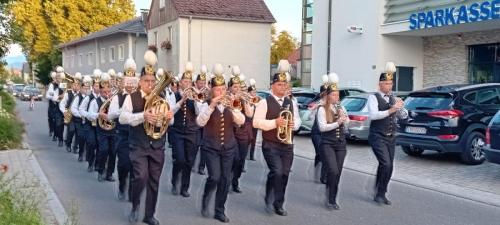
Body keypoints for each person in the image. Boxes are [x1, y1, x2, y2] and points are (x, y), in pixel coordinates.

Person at [119, 50, 173, 225]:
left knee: (154, 181)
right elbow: (122, 118)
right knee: (140, 177)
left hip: (157, 145)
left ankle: (149, 215)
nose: (150, 84)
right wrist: (143, 116)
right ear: (140, 82)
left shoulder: (162, 97)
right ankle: (135, 206)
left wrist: (167, 118)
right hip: (139, 145)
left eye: (152, 81)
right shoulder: (131, 97)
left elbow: (168, 123)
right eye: (147, 81)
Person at [197, 63, 245, 223]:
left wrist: (233, 108)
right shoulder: (206, 105)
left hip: (229, 147)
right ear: (212, 91)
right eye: (218, 90)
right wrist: (211, 105)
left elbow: (241, 121)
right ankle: (206, 196)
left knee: (225, 178)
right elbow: (200, 122)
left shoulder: (232, 104)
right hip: (211, 147)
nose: (221, 92)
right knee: (215, 177)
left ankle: (219, 210)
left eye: (223, 89)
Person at [253, 60, 301, 216]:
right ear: (272, 86)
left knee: (285, 174)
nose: (283, 87)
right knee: (278, 172)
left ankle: (278, 202)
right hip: (271, 144)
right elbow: (256, 123)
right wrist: (275, 122)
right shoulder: (264, 103)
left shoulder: (291, 102)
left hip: (287, 144)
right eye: (279, 84)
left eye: (285, 84)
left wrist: (294, 125)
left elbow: (298, 120)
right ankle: (271, 196)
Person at [367, 62, 408, 206]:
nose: (389, 86)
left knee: (389, 166)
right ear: (380, 84)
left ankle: (381, 192)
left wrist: (400, 107)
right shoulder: (373, 97)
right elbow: (374, 115)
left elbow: (403, 116)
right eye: (386, 83)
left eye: (390, 83)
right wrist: (391, 110)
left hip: (391, 137)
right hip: (377, 136)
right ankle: (379, 192)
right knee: (386, 163)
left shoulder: (393, 97)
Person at [317, 73, 350, 210]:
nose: (337, 97)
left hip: (341, 144)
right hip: (327, 144)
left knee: (338, 172)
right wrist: (338, 123)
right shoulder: (322, 109)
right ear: (328, 96)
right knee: (333, 170)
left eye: (338, 95)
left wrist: (345, 119)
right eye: (334, 95)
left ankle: (332, 197)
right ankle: (330, 198)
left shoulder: (341, 108)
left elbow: (347, 124)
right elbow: (322, 128)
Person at [108, 59, 137, 201]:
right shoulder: (117, 97)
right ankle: (122, 185)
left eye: (132, 79)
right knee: (124, 163)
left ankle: (132, 193)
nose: (130, 82)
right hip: (123, 135)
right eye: (128, 79)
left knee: (135, 166)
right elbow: (110, 115)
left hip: (137, 136)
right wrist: (123, 109)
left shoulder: (139, 96)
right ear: (124, 80)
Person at [169, 62, 200, 198]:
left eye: (189, 81)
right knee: (180, 159)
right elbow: (171, 111)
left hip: (191, 132)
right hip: (177, 132)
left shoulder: (195, 96)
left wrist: (196, 99)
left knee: (189, 161)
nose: (187, 83)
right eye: (184, 81)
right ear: (180, 82)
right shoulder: (173, 96)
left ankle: (185, 187)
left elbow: (199, 113)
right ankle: (175, 180)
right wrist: (182, 100)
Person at [227, 67, 254, 193]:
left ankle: (235, 180)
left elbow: (249, 114)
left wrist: (247, 101)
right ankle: (227, 180)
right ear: (230, 88)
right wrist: (234, 99)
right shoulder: (226, 98)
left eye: (238, 87)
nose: (237, 89)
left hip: (242, 133)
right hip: (230, 132)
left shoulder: (243, 99)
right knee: (234, 158)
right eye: (234, 87)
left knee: (241, 161)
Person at [88, 73, 116, 182]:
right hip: (102, 130)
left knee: (113, 152)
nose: (107, 94)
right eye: (105, 92)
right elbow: (90, 115)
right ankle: (100, 171)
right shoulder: (95, 102)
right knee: (103, 150)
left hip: (113, 130)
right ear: (100, 91)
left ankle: (109, 173)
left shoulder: (114, 101)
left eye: (109, 92)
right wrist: (99, 115)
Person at [79, 69, 102, 172]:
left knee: (99, 145)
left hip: (100, 125)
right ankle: (90, 163)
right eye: (96, 86)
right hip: (89, 125)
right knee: (91, 143)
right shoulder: (89, 97)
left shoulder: (103, 98)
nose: (98, 88)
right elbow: (81, 109)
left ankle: (97, 164)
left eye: (99, 86)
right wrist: (88, 115)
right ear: (93, 87)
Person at [309, 75, 329, 184]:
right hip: (316, 133)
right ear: (322, 94)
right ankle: (318, 171)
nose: (327, 95)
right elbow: (309, 117)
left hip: (326, 133)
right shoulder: (317, 103)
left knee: (324, 153)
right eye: (325, 93)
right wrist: (317, 107)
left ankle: (322, 174)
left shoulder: (330, 104)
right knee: (320, 152)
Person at [71, 75, 93, 161]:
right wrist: (81, 115)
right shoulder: (78, 97)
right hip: (80, 121)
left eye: (88, 87)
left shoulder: (91, 98)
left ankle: (87, 155)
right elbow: (73, 109)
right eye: (85, 87)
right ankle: (80, 153)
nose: (86, 89)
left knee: (89, 139)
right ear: (81, 88)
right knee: (81, 137)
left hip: (88, 121)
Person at [59, 72, 82, 153]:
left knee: (78, 133)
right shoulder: (67, 93)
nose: (76, 86)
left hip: (78, 116)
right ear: (72, 85)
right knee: (71, 130)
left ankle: (75, 147)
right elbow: (62, 104)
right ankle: (68, 144)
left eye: (77, 85)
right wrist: (64, 111)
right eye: (74, 85)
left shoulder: (81, 94)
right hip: (70, 116)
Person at [195, 65, 208, 175]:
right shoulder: (193, 93)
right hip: (194, 125)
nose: (202, 85)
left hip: (205, 125)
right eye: (200, 83)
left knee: (204, 147)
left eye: (204, 83)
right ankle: (191, 163)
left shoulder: (207, 94)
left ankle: (201, 167)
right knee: (194, 146)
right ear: (196, 83)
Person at [51, 67, 66, 147]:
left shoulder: (64, 85)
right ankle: (60, 138)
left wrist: (64, 94)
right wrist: (61, 96)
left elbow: (68, 94)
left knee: (63, 125)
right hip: (57, 108)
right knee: (58, 125)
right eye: (57, 78)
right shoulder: (55, 86)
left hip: (65, 108)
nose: (58, 79)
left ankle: (62, 139)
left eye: (60, 77)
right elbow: (54, 97)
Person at [247, 79, 259, 161]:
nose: (254, 93)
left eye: (255, 92)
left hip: (255, 122)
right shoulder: (247, 99)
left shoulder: (258, 99)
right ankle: (245, 154)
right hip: (248, 122)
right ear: (249, 92)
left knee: (254, 139)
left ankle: (251, 155)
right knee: (247, 139)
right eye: (253, 92)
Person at [46, 71, 58, 139]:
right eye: (54, 78)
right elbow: (47, 96)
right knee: (50, 119)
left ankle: (55, 135)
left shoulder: (61, 85)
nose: (55, 80)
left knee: (57, 120)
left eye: (56, 78)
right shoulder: (51, 85)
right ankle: (51, 130)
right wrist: (53, 97)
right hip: (52, 105)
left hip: (58, 106)